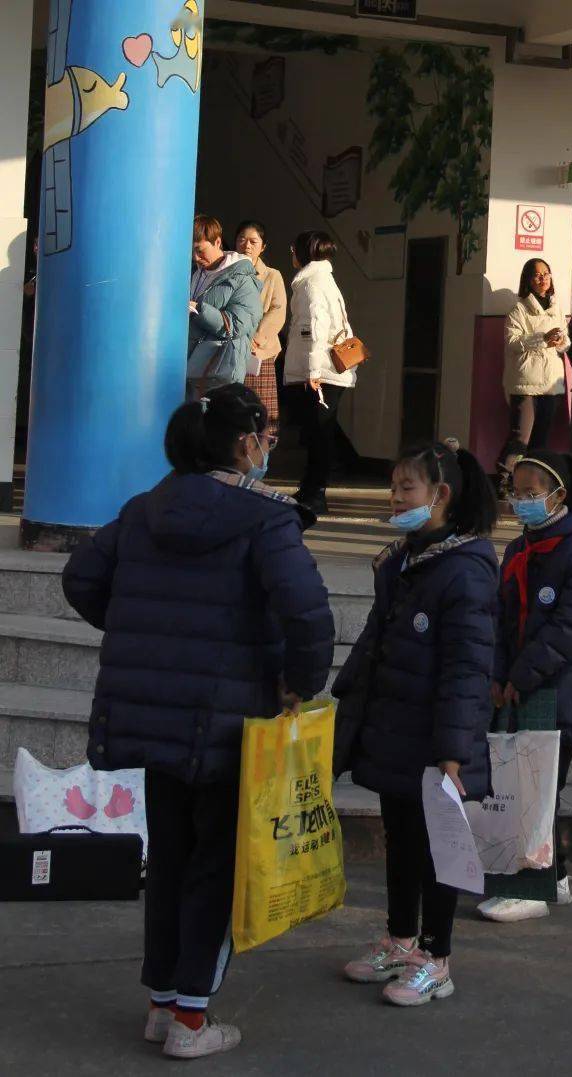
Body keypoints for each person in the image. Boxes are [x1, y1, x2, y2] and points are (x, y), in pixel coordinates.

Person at [61, 384, 335, 1059]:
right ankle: (190, 1019)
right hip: (229, 722)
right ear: (245, 444)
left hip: (156, 722)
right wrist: (297, 684)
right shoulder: (265, 521)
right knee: (217, 863)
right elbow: (308, 614)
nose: (268, 449)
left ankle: (162, 1002)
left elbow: (80, 579)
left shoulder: (142, 510)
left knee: (173, 858)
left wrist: (143, 639)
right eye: (265, 438)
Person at [333, 442, 498, 1006]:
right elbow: (377, 642)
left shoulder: (465, 572)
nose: (395, 498)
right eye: (395, 487)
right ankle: (401, 939)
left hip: (434, 740)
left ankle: (437, 956)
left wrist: (453, 750)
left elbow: (468, 668)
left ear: (441, 496)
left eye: (407, 488)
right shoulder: (404, 560)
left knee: (438, 849)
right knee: (401, 841)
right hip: (394, 728)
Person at [480, 451, 572, 922]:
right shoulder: (519, 550)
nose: (521, 502)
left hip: (560, 690)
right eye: (516, 492)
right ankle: (555, 877)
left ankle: (531, 889)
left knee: (540, 791)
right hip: (521, 687)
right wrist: (498, 673)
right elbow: (500, 619)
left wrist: (521, 674)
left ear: (559, 496)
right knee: (532, 787)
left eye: (532, 494)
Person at [282, 231, 357, 517]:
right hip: (328, 369)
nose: (292, 254)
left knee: (318, 433)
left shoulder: (310, 283)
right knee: (318, 431)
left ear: (304, 251)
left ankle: (316, 491)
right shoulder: (325, 279)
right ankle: (311, 486)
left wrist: (312, 371)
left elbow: (313, 328)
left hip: (320, 370)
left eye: (293, 249)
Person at [499, 259, 570, 493]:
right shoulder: (518, 309)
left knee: (541, 441)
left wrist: (560, 341)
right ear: (528, 280)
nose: (543, 279)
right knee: (521, 437)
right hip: (526, 382)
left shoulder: (556, 306)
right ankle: (502, 479)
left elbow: (566, 342)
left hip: (551, 383)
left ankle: (531, 485)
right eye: (537, 275)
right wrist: (542, 338)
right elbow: (512, 342)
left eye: (547, 274)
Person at [188, 215, 264, 399]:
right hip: (193, 369)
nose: (195, 257)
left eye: (200, 250)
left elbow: (238, 324)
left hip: (219, 373)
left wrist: (199, 310)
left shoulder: (242, 278)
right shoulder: (198, 273)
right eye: (191, 251)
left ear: (218, 242)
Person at [235, 220, 287, 434]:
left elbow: (278, 310)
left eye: (253, 241)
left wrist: (256, 338)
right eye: (242, 239)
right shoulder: (228, 271)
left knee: (261, 414)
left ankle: (260, 460)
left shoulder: (272, 275)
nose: (246, 245)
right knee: (235, 411)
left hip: (259, 352)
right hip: (232, 350)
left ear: (263, 247)